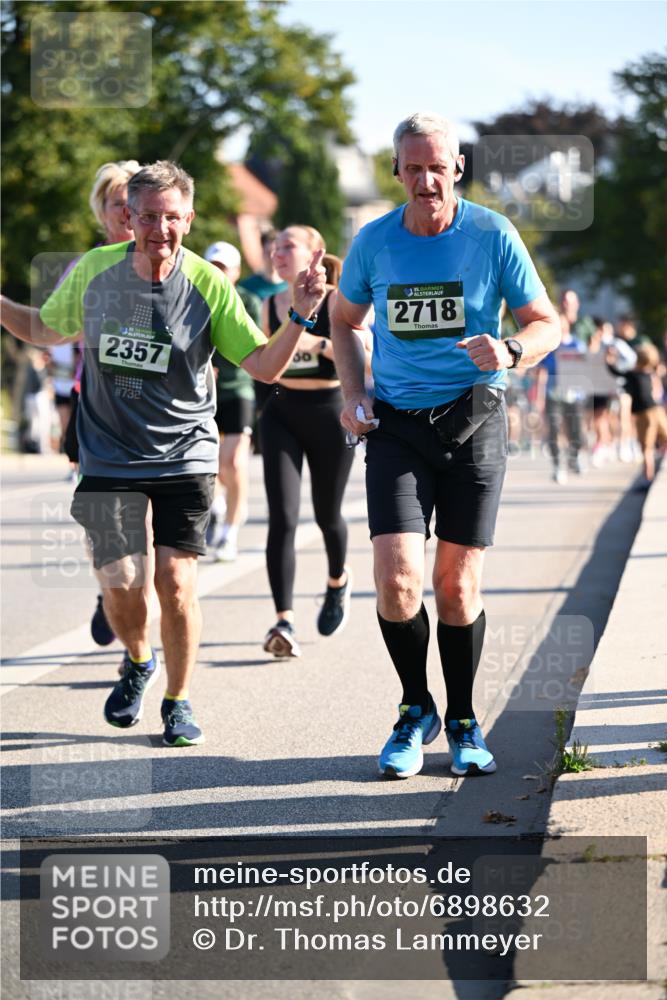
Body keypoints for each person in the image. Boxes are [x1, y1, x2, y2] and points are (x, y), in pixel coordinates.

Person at [0, 160, 326, 747]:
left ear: (189, 219)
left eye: (170, 218)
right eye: (147, 216)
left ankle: (177, 700)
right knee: (123, 583)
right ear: (128, 216)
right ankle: (139, 658)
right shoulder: (95, 272)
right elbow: (47, 332)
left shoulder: (208, 284)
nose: (159, 229)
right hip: (107, 455)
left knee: (176, 583)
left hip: (184, 455)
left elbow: (262, 366)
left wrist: (300, 316)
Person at [331, 112, 560, 779]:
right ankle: (414, 709)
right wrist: (353, 394)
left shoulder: (491, 233)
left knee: (455, 586)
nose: (426, 180)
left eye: (439, 167)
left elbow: (545, 322)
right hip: (398, 424)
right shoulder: (374, 242)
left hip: (473, 418)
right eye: (414, 168)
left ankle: (461, 718)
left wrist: (513, 347)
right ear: (396, 171)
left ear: (457, 167)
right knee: (396, 578)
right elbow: (343, 323)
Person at [260, 225, 362, 658]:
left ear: (314, 254)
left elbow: (369, 357)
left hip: (329, 412)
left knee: (326, 514)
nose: (277, 252)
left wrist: (319, 344)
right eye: (274, 246)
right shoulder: (269, 303)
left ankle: (337, 581)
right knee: (281, 518)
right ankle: (284, 619)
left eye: (288, 246)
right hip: (281, 414)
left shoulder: (338, 299)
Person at [203, 240, 261, 561]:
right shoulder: (193, 299)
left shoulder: (248, 301)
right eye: (213, 267)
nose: (219, 273)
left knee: (233, 463)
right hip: (202, 393)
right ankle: (219, 504)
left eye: (224, 268)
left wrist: (217, 363)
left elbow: (248, 345)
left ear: (236, 272)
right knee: (208, 466)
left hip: (237, 389)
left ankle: (230, 533)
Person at [536, 311, 588, 483]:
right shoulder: (550, 346)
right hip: (554, 395)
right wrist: (540, 396)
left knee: (576, 431)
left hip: (574, 395)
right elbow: (542, 372)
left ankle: (574, 456)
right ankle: (558, 465)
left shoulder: (577, 345)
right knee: (554, 430)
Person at [607, 342, 667, 487]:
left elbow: (616, 372)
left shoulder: (633, 375)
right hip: (657, 410)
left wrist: (609, 360)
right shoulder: (650, 374)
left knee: (646, 449)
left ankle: (647, 478)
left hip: (644, 415)